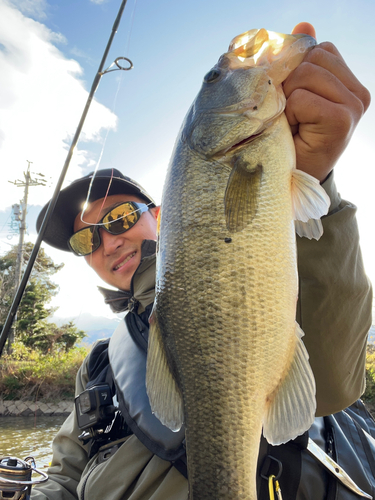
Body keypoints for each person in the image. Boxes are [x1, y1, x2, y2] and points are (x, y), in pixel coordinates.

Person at [31, 22, 372, 500]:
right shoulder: (100, 365)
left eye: (121, 216)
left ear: (163, 215)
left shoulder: (272, 233)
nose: (107, 242)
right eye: (86, 241)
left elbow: (331, 384)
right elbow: (64, 475)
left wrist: (316, 177)